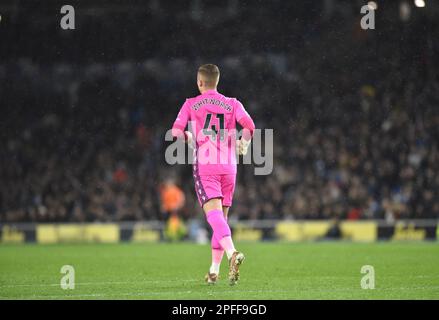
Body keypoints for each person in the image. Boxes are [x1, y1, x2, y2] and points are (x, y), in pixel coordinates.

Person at [171, 64, 255, 285]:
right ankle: (214, 271)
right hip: (229, 166)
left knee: (212, 216)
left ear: (200, 82)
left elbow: (176, 132)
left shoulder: (191, 103)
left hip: (206, 165)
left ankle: (232, 253)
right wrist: (243, 143)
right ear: (217, 81)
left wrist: (190, 137)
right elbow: (250, 126)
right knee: (221, 221)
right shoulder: (232, 103)